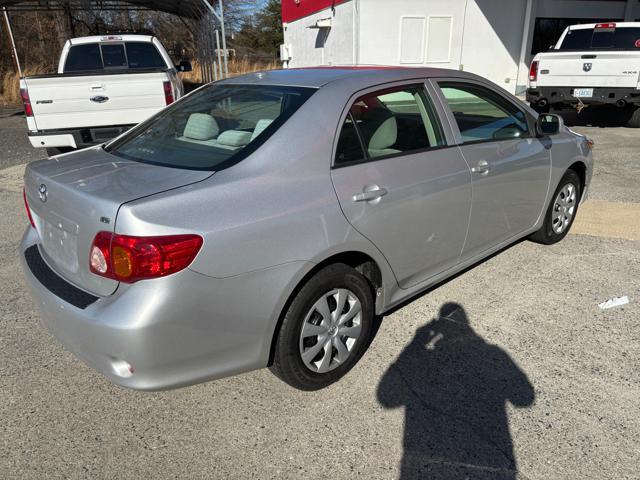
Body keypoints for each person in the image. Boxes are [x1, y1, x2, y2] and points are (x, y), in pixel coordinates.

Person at [378, 302, 535, 479]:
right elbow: (525, 399)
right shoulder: (493, 352)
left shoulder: (431, 355)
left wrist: (417, 341)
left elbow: (386, 398)